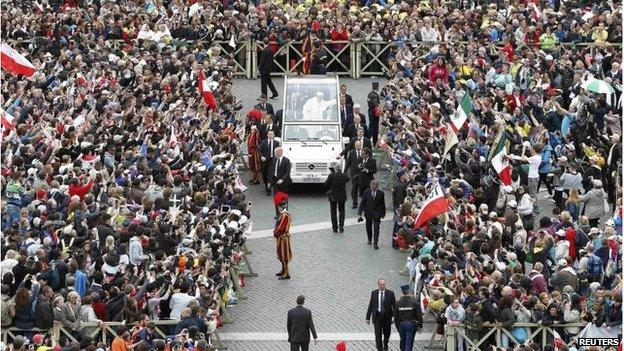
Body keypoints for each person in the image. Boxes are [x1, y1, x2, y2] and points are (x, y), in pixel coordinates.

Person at [366, 279, 396, 351]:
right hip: (377, 317)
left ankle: (385, 345)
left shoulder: (390, 293)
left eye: (384, 284)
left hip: (387, 317)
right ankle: (379, 349)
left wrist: (394, 316)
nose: (383, 286)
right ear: (378, 285)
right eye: (381, 285)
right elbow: (371, 305)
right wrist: (368, 317)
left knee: (387, 334)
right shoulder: (374, 293)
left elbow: (394, 306)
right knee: (378, 336)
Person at [358, 180, 386, 249]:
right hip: (368, 213)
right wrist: (359, 213)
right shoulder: (366, 193)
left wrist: (383, 213)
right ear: (370, 186)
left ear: (377, 187)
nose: (373, 189)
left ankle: (375, 243)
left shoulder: (381, 193)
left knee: (376, 228)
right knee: (368, 227)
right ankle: (369, 239)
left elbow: (382, 203)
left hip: (377, 213)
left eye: (375, 187)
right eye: (372, 187)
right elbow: (362, 203)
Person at [394, 284, 422, 351]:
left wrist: (397, 326)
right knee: (409, 343)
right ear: (409, 291)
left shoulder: (398, 303)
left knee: (403, 341)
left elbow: (396, 316)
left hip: (401, 324)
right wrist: (420, 325)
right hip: (411, 324)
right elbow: (419, 315)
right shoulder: (415, 302)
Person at [324, 162, 349, 233]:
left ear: (335, 168)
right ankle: (341, 225)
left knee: (333, 211)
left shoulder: (331, 175)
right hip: (342, 195)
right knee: (342, 210)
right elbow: (348, 179)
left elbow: (326, 184)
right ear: (341, 169)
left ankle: (335, 227)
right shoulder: (344, 175)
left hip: (333, 195)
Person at [274, 194, 292, 280]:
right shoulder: (283, 214)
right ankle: (283, 270)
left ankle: (286, 273)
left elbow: (281, 227)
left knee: (284, 255)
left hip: (283, 238)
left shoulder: (285, 215)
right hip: (281, 238)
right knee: (281, 255)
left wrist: (276, 232)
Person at [269, 147, 292, 217]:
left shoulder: (286, 160)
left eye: (276, 152)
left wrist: (282, 179)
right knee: (276, 197)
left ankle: (285, 213)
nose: (274, 154)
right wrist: (269, 181)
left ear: (280, 152)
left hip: (284, 182)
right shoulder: (273, 160)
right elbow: (271, 170)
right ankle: (277, 213)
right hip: (275, 181)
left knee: (284, 197)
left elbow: (287, 172)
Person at [344, 140, 364, 208]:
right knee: (354, 189)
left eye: (359, 145)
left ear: (361, 145)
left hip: (362, 174)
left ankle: (363, 203)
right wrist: (345, 172)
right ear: (355, 146)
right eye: (357, 145)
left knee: (362, 188)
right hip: (354, 174)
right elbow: (348, 163)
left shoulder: (364, 153)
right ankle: (354, 202)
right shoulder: (351, 153)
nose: (358, 147)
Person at [260, 130, 280, 196]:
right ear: (267, 135)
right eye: (269, 134)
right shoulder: (263, 142)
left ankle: (268, 189)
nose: (270, 135)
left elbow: (278, 152)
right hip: (265, 160)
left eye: (272, 134)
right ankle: (267, 185)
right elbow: (260, 151)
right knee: (264, 175)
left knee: (270, 175)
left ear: (274, 135)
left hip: (272, 160)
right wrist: (262, 156)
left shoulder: (276, 143)